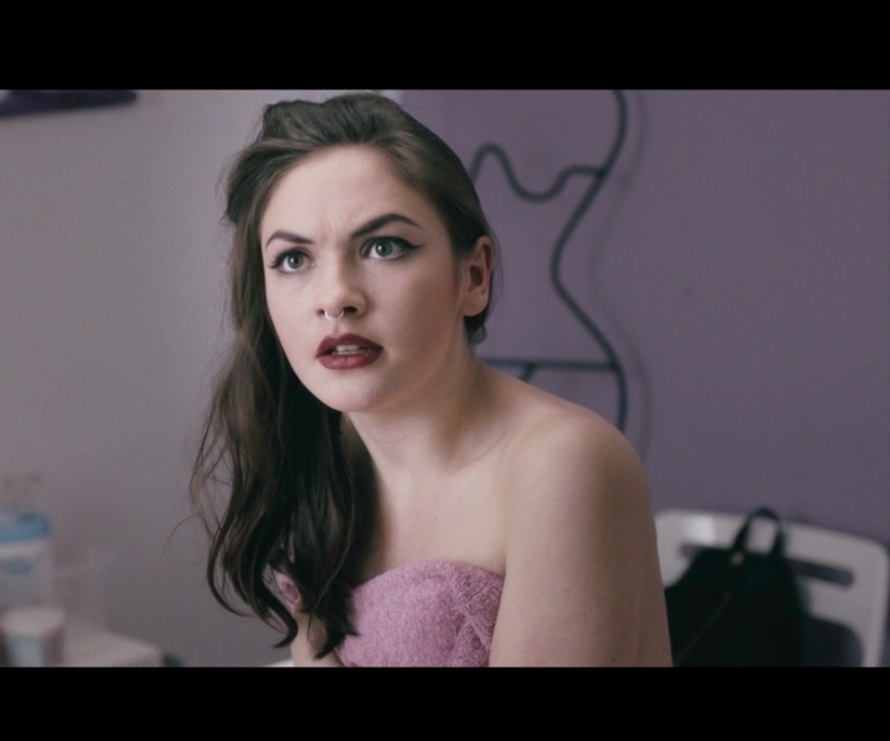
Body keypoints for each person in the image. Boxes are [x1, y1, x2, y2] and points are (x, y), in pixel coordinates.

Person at [193, 93, 671, 666]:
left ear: (474, 276)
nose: (336, 297)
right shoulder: (326, 460)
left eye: (383, 247)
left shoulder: (562, 465)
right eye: (294, 259)